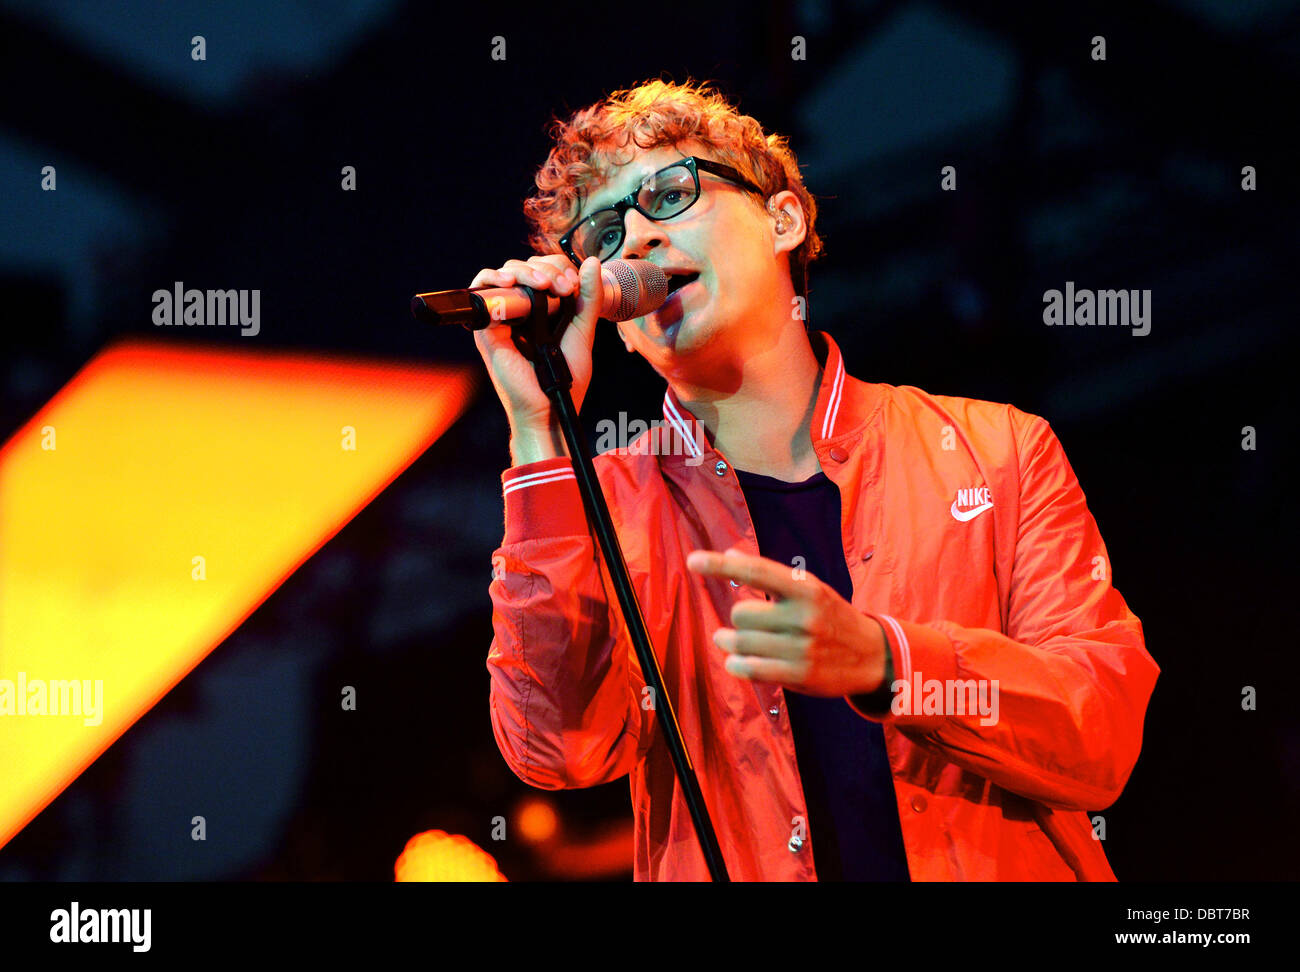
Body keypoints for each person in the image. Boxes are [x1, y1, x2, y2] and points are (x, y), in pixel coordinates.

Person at [473, 78, 1159, 881]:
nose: (633, 243)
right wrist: (541, 435)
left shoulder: (998, 449)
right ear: (612, 321)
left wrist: (891, 663)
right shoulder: (600, 508)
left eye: (668, 194)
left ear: (783, 219)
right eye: (601, 236)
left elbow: (1098, 731)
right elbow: (556, 751)